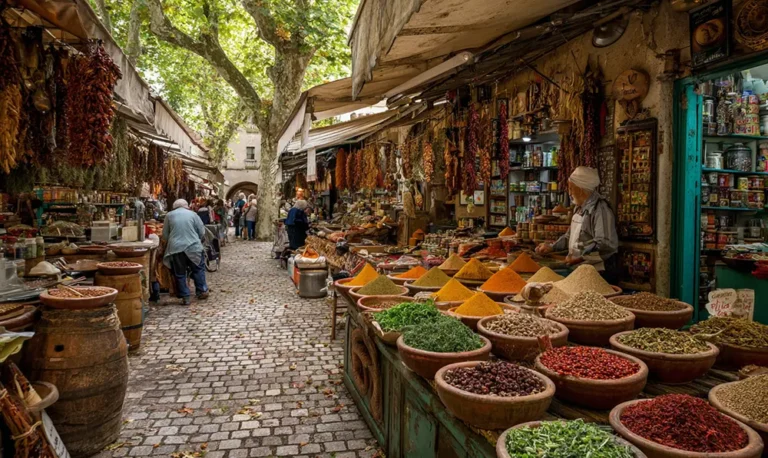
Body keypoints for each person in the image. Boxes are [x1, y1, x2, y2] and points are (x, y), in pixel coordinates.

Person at [535, 166, 619, 284]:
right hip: (578, 271)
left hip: (597, 274)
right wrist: (552, 247)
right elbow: (569, 236)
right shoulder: (578, 209)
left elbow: (605, 244)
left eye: (571, 188)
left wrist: (579, 258)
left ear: (580, 189)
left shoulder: (600, 209)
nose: (569, 193)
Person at [162, 199, 210, 305]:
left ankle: (185, 296)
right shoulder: (193, 215)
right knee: (198, 269)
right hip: (193, 247)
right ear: (186, 206)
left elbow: (165, 235)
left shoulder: (169, 215)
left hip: (176, 248)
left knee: (180, 273)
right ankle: (202, 290)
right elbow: (201, 231)